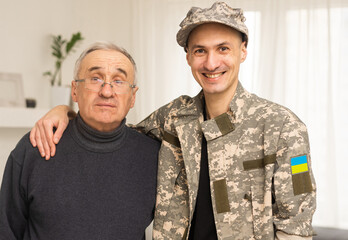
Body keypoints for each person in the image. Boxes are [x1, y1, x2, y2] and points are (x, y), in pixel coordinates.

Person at [29, 2, 316, 239]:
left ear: (243, 50)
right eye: (200, 50)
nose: (211, 63)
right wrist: (64, 110)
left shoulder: (283, 128)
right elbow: (112, 129)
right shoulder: (174, 119)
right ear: (189, 57)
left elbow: (296, 227)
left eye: (223, 48)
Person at [0, 42, 160, 240]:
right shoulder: (37, 146)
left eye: (118, 81)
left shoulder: (155, 157)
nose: (107, 92)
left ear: (133, 96)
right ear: (74, 90)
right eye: (95, 78)